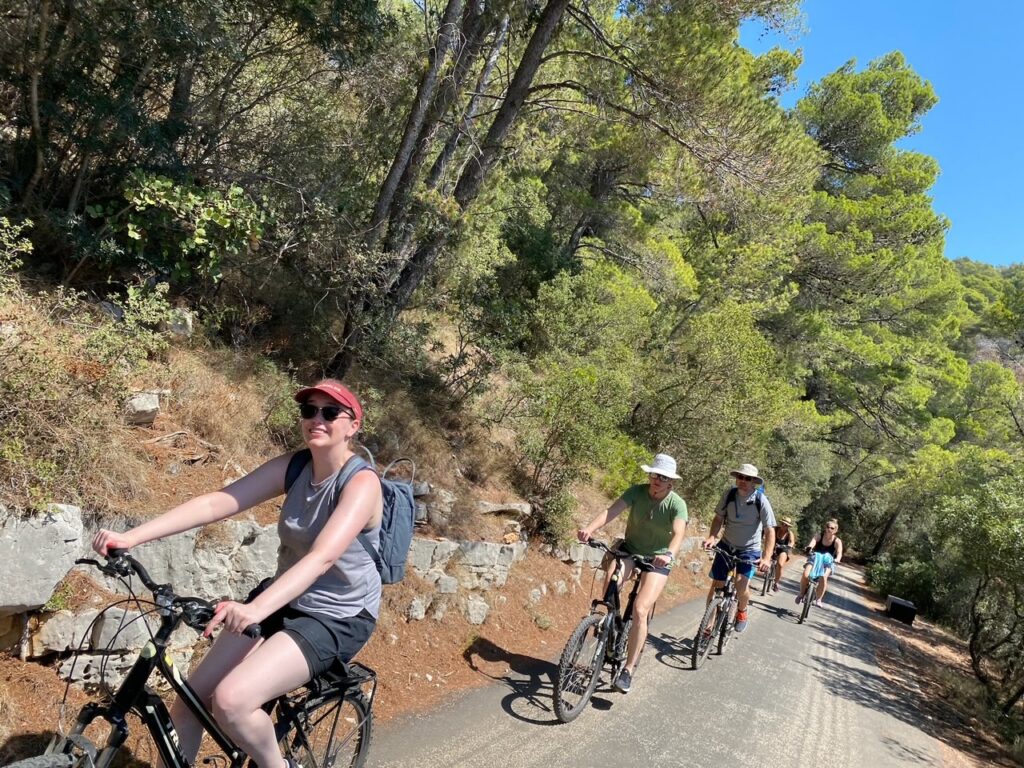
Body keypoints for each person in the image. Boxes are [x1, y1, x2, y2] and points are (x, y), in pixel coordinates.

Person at [92, 379, 382, 768]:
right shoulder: (295, 467)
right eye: (308, 410)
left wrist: (256, 610)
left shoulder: (361, 483)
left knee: (231, 702)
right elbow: (219, 503)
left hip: (337, 615)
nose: (317, 419)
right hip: (284, 595)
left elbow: (321, 559)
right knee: (193, 699)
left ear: (353, 425)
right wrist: (132, 536)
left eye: (330, 412)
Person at [577, 453, 688, 694]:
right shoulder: (637, 492)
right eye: (654, 474)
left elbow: (679, 534)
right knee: (610, 587)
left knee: (640, 609)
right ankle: (608, 624)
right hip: (631, 549)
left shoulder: (676, 503)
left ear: (671, 482)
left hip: (658, 558)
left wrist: (668, 554)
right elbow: (611, 511)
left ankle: (627, 669)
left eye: (663, 477)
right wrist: (589, 528)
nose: (656, 479)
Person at [702, 463, 776, 634]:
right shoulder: (729, 494)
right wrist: (713, 537)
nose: (743, 481)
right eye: (740, 477)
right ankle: (708, 626)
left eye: (747, 478)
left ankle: (742, 611)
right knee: (716, 585)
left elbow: (769, 531)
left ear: (753, 482)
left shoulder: (760, 500)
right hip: (727, 544)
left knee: (741, 586)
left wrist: (766, 558)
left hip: (749, 550)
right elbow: (718, 518)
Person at [797, 518, 843, 607]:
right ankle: (801, 594)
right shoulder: (819, 535)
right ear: (825, 527)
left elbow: (839, 552)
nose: (829, 529)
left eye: (832, 528)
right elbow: (812, 543)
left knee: (823, 576)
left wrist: (837, 558)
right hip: (815, 558)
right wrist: (809, 547)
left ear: (835, 530)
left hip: (828, 562)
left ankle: (818, 599)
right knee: (806, 575)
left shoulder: (837, 541)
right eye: (828, 527)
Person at [770, 518, 796, 592]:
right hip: (773, 547)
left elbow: (792, 542)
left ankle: (776, 583)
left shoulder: (789, 533)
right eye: (783, 524)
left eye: (786, 525)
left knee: (780, 564)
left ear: (788, 526)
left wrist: (789, 545)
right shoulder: (775, 529)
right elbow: (768, 534)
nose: (784, 526)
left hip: (783, 549)